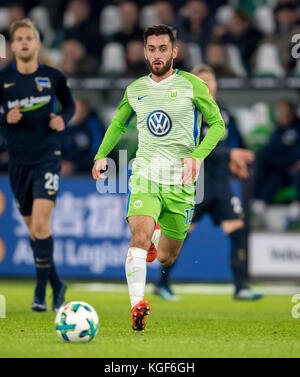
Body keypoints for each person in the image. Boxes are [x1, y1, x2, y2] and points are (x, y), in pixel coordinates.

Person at [92, 25, 225, 332]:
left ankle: (155, 241)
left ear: (174, 52)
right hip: (145, 175)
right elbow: (117, 124)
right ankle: (137, 305)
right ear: (144, 52)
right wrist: (101, 155)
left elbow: (216, 124)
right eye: (151, 48)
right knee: (137, 235)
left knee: (166, 257)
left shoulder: (193, 85)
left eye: (163, 48)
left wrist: (196, 156)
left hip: (181, 182)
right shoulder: (135, 90)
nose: (157, 54)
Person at [154, 65, 264, 301]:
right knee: (181, 235)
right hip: (195, 185)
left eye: (210, 81)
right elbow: (191, 149)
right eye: (201, 82)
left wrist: (232, 161)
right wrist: (230, 155)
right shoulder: (186, 110)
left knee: (237, 229)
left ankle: (240, 287)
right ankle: (162, 283)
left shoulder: (221, 110)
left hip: (220, 184)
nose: (207, 86)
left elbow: (228, 143)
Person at [0, 19, 75, 311]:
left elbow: (69, 105)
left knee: (42, 223)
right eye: (18, 38)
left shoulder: (53, 76)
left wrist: (62, 120)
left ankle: (40, 292)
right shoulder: (4, 79)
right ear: (13, 45)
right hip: (18, 162)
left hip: (47, 157)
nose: (24, 42)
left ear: (38, 43)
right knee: (35, 232)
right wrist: (4, 118)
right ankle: (58, 285)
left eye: (29, 37)